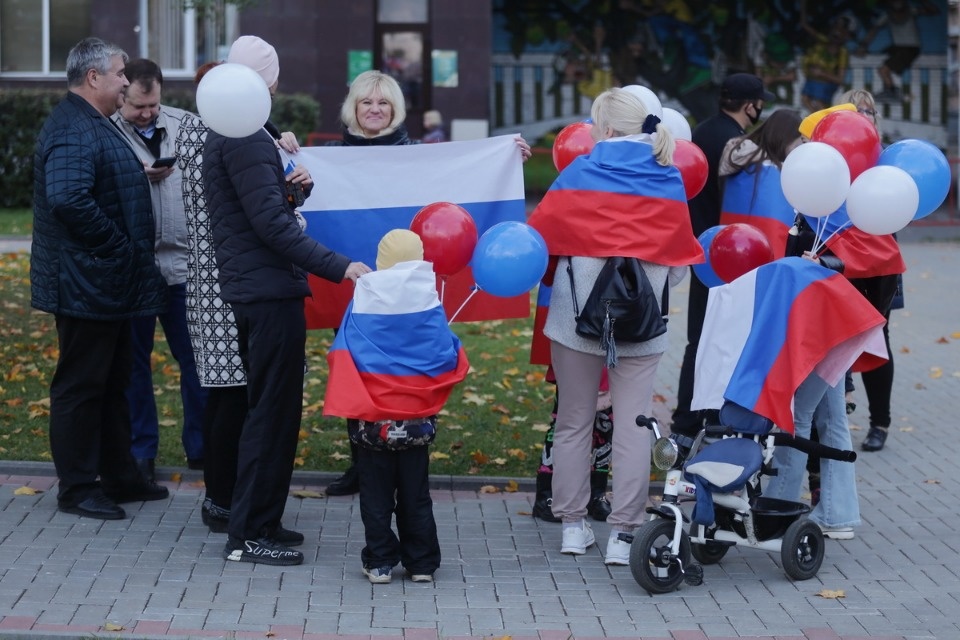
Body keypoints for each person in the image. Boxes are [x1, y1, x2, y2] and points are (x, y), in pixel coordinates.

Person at [203, 35, 372, 566]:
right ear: (269, 81)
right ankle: (249, 534)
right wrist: (341, 267)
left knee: (270, 410)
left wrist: (293, 192)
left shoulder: (231, 129)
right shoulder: (248, 136)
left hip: (254, 288)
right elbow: (273, 228)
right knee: (271, 415)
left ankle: (263, 520)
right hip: (268, 292)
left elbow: (255, 211)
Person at [322, 70, 532, 497]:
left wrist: (507, 159)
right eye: (366, 102)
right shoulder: (327, 156)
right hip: (357, 283)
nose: (375, 110)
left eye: (383, 102)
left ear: (396, 109)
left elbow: (466, 176)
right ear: (352, 108)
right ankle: (362, 465)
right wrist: (286, 145)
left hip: (408, 293)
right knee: (361, 370)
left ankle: (408, 459)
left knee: (407, 370)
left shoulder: (419, 155)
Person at [527, 87, 702, 564]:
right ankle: (624, 535)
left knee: (572, 423)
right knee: (633, 425)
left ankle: (571, 526)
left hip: (575, 320)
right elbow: (679, 266)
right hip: (644, 324)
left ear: (604, 129)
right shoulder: (668, 178)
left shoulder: (578, 173)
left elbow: (541, 247)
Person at [31, 36, 170, 520]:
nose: (127, 82)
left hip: (103, 281)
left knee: (113, 382)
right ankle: (77, 488)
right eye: (119, 73)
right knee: (82, 386)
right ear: (94, 78)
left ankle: (119, 476)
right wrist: (118, 247)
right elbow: (68, 199)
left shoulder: (92, 123)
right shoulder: (75, 127)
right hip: (85, 282)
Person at [323, 229, 469, 584]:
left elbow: (345, 348)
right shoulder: (429, 298)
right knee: (416, 495)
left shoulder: (365, 296)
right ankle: (422, 563)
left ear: (381, 259)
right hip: (416, 421)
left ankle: (380, 562)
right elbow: (443, 353)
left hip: (372, 420)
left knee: (375, 496)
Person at [111, 58, 207, 481]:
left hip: (184, 265)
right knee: (134, 364)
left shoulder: (188, 126)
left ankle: (202, 449)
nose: (147, 114)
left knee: (198, 361)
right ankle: (141, 453)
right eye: (138, 106)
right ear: (122, 95)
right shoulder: (107, 130)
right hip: (135, 267)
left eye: (153, 105)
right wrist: (138, 178)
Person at [672, 72, 773, 437]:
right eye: (759, 102)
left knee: (698, 339)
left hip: (701, 248)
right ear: (750, 105)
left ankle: (686, 422)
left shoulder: (702, 132)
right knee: (723, 341)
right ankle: (713, 422)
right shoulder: (737, 145)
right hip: (729, 254)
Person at [718, 108, 804, 257]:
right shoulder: (777, 174)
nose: (798, 151)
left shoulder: (742, 163)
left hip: (730, 249)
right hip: (767, 256)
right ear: (785, 139)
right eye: (797, 145)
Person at [531, 367, 612, 524]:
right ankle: (546, 495)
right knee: (565, 423)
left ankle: (596, 494)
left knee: (605, 423)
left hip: (612, 359)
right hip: (575, 358)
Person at [856, 0, 939, 103]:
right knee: (882, 57)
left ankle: (892, 92)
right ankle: (890, 90)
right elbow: (874, 29)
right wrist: (863, 46)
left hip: (910, 48)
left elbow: (934, 11)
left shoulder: (911, 11)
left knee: (883, 70)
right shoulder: (888, 15)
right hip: (897, 47)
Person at [799, 11, 854, 112]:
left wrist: (822, 73)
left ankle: (822, 117)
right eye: (836, 26)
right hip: (812, 80)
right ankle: (817, 117)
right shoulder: (823, 41)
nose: (837, 31)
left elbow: (840, 79)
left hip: (826, 84)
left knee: (820, 103)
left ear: (847, 35)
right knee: (805, 99)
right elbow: (805, 26)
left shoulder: (842, 53)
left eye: (842, 28)